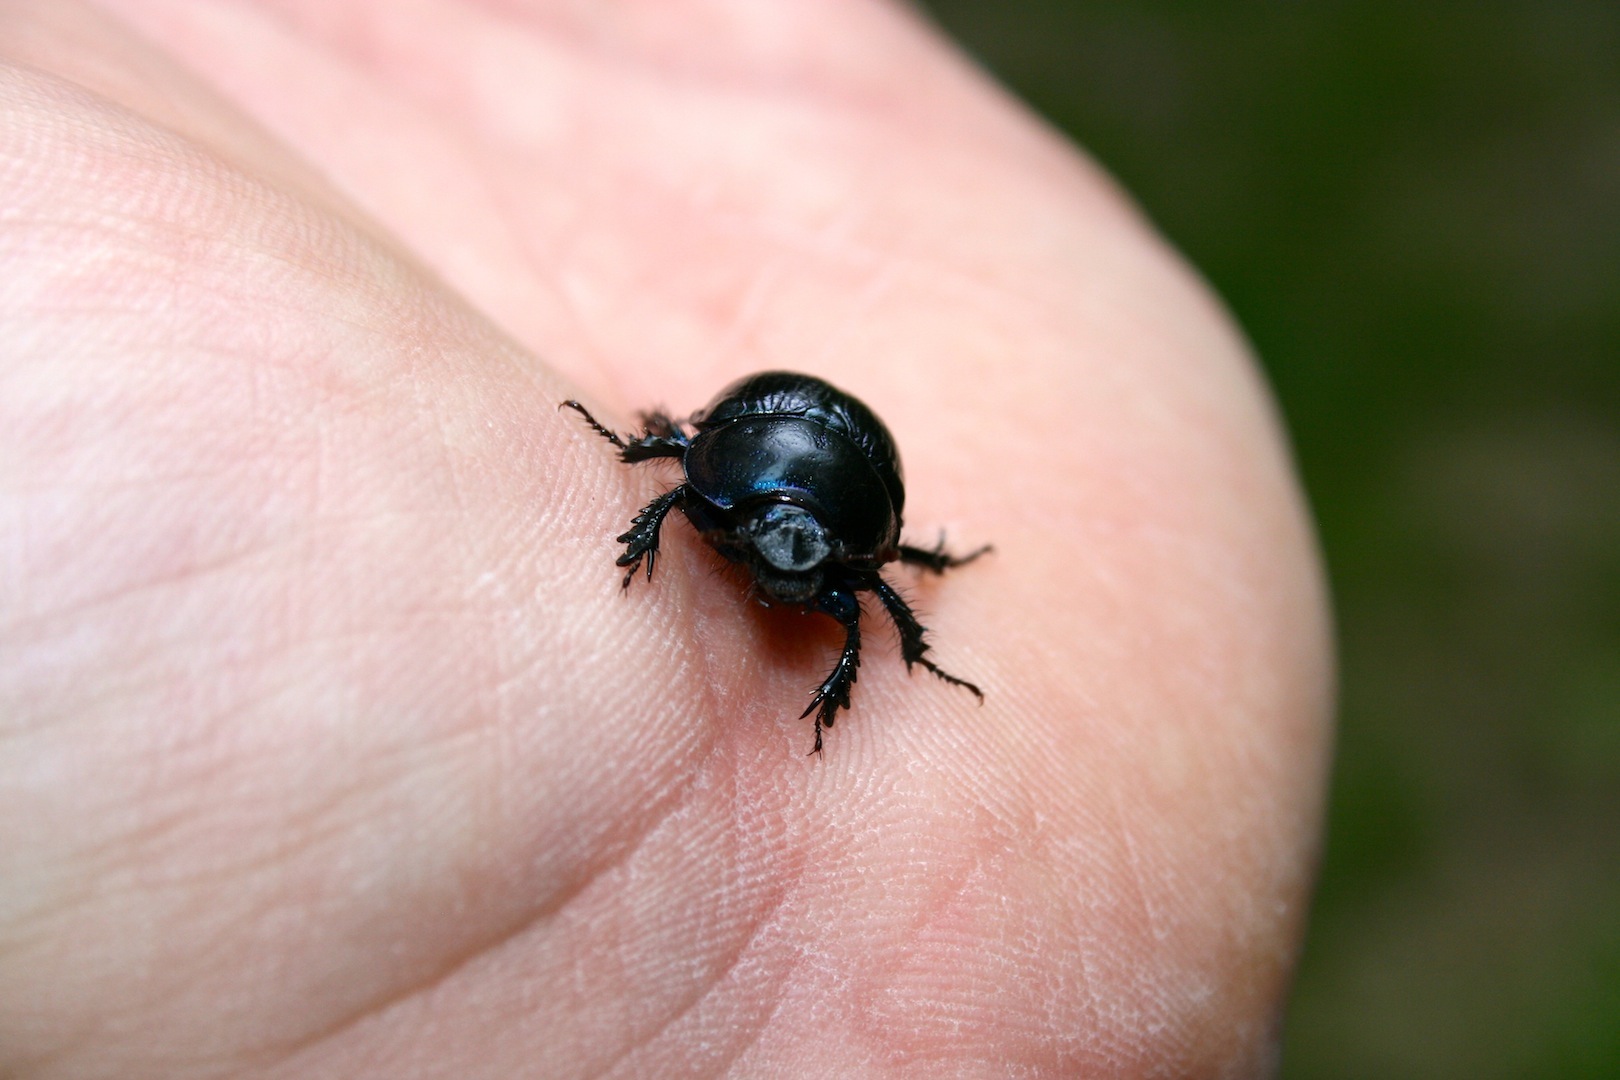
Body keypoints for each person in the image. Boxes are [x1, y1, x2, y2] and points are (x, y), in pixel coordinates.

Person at [0, 1, 1333, 1074]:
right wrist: (650, 507)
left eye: (806, 563)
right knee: (705, 484)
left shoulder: (849, 565)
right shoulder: (717, 489)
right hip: (752, 434)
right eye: (769, 551)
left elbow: (873, 585)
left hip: (823, 453)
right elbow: (694, 479)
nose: (777, 576)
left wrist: (881, 633)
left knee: (858, 598)